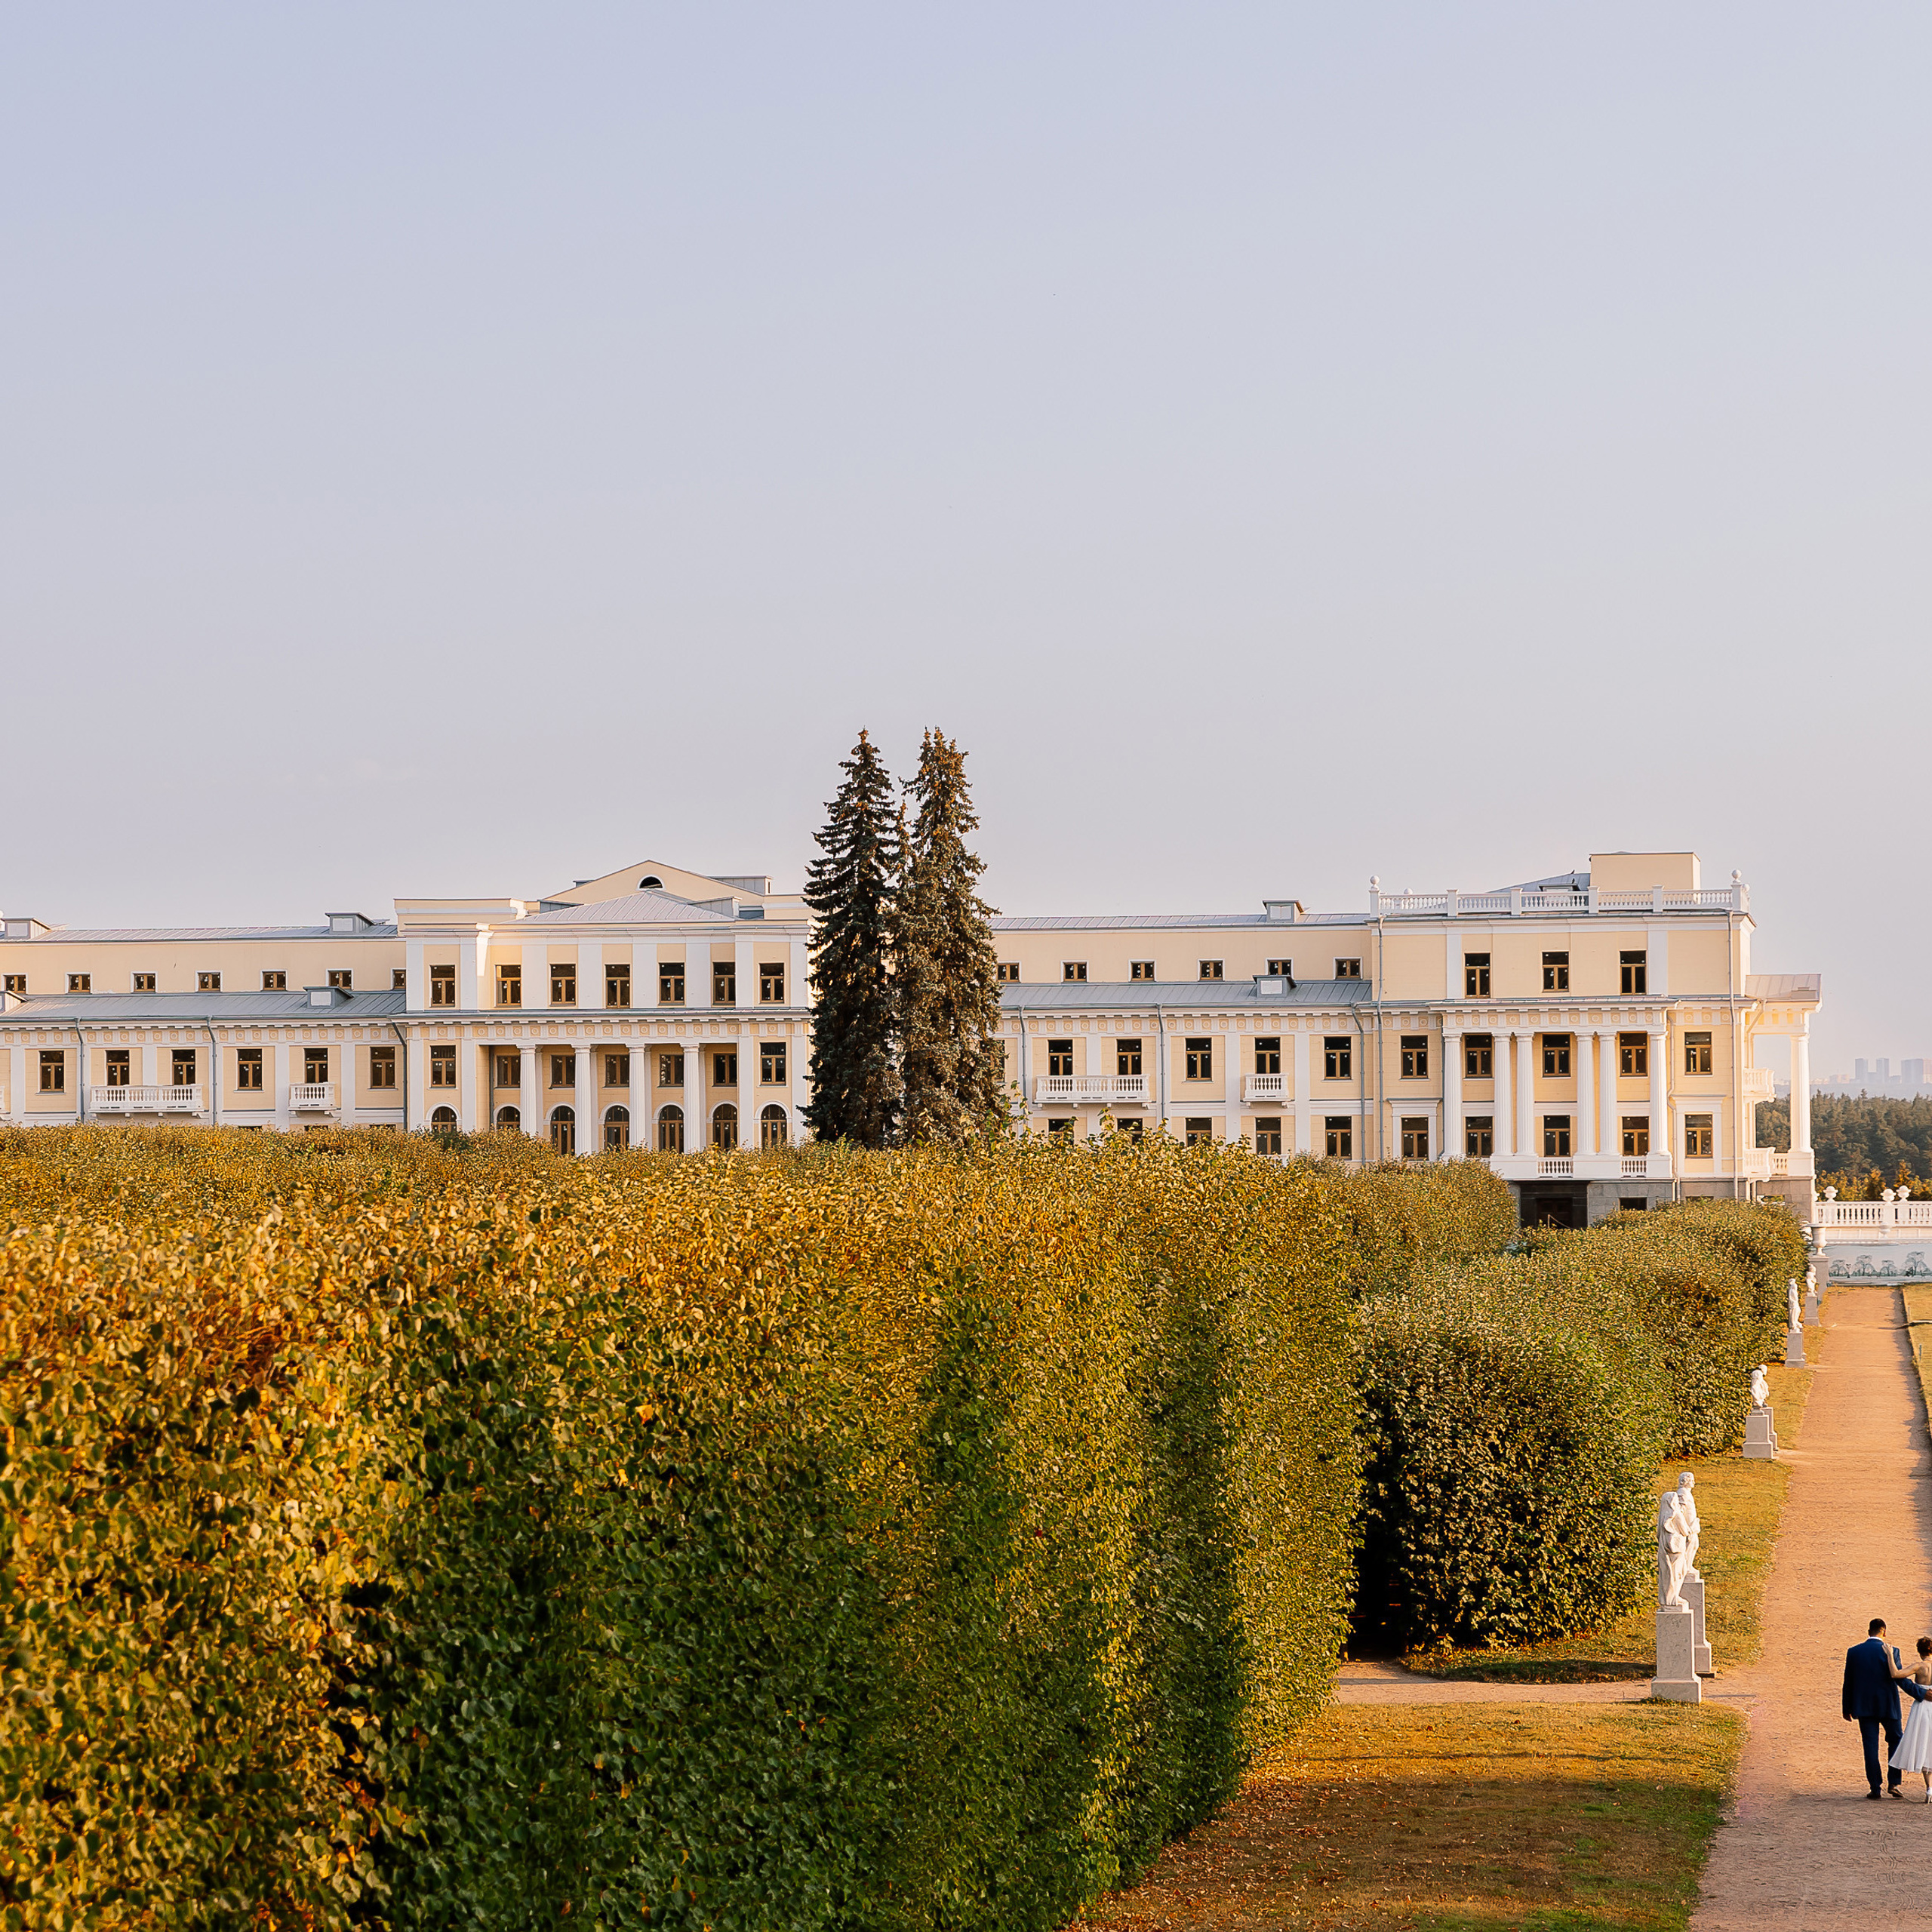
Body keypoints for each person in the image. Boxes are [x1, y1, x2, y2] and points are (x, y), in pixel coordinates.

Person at [1845, 1618, 1932, 1798]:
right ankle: (1894, 1783)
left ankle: (1875, 1788)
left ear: (1869, 1631)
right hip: (1889, 1706)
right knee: (1895, 1740)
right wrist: (1921, 1693)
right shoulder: (1893, 1651)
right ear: (1884, 1631)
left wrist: (1847, 1708)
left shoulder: (1854, 1652)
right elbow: (1900, 1679)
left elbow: (1849, 1682)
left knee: (1870, 1747)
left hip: (1864, 1707)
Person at [1887, 1639, 1932, 1801]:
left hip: (1922, 1708)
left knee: (1924, 1745)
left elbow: (1895, 1674)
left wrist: (1890, 1656)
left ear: (1920, 1651)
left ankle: (1929, 1788)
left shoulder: (1919, 1666)